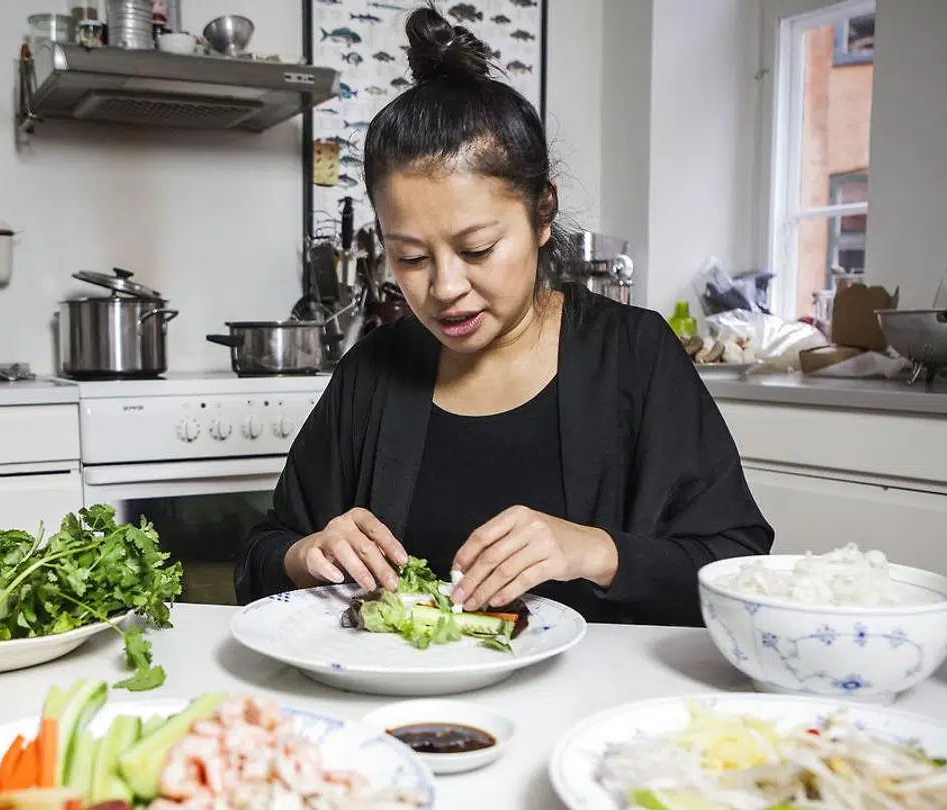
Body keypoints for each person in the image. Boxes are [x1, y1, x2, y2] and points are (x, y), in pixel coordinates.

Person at [235, 6, 773, 626]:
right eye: (410, 257)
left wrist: (593, 552)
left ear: (542, 213)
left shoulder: (635, 354)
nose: (445, 288)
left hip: (590, 711)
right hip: (403, 713)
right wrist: (306, 554)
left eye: (477, 250)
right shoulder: (375, 371)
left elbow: (737, 567)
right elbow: (258, 558)